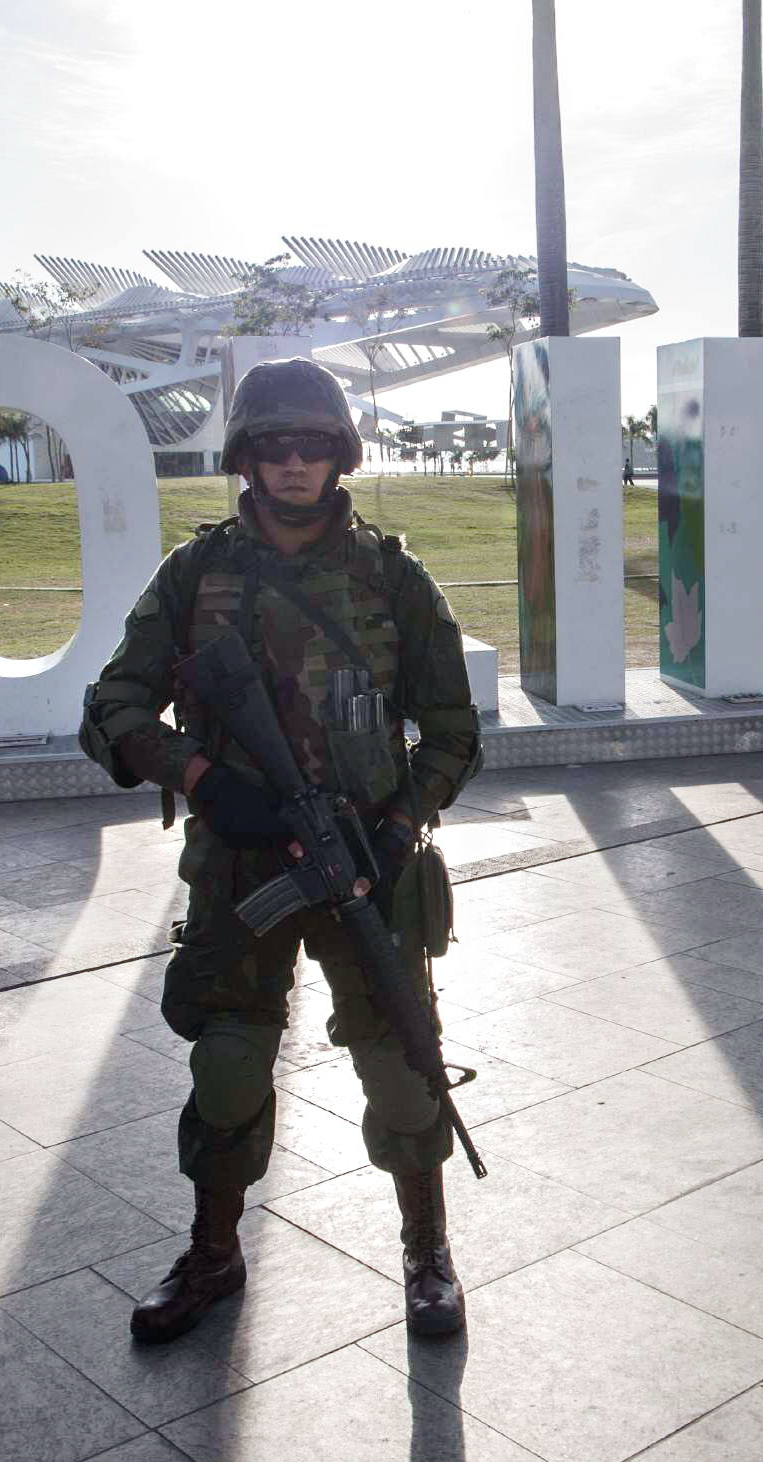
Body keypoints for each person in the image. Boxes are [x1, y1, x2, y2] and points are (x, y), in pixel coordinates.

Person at [80, 357, 482, 1343]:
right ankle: (212, 1254)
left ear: (339, 453)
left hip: (366, 863)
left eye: (311, 445)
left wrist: (397, 824)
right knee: (227, 1062)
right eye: (272, 445)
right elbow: (112, 709)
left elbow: (454, 730)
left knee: (399, 1063)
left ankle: (425, 1251)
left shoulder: (390, 575)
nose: (293, 462)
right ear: (246, 456)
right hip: (241, 865)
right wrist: (206, 781)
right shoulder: (195, 574)